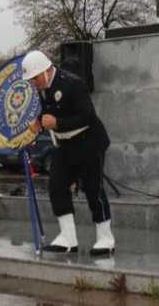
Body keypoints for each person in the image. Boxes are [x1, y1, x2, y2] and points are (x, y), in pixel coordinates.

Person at [24, 50, 114, 256]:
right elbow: (51, 110)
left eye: (34, 78)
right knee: (56, 187)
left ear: (46, 71)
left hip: (88, 142)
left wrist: (58, 123)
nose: (33, 83)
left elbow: (87, 115)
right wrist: (39, 122)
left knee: (94, 190)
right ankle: (68, 237)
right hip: (65, 145)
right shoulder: (43, 87)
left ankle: (106, 238)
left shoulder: (73, 83)